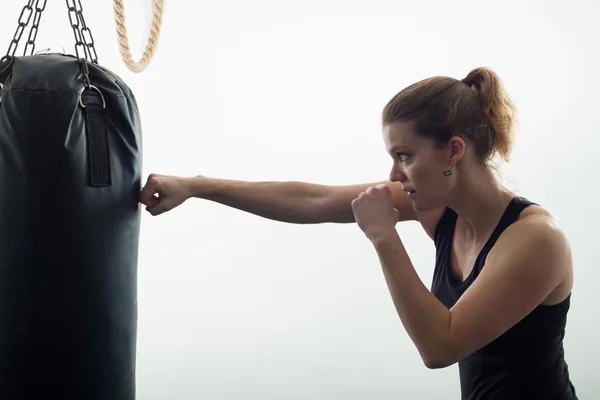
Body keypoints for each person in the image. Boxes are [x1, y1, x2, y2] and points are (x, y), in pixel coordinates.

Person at [139, 67, 578, 399]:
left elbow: (440, 347)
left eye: (404, 155)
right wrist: (196, 186)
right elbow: (312, 200)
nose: (394, 174)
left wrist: (384, 237)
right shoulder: (442, 211)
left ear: (454, 151)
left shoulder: (535, 240)